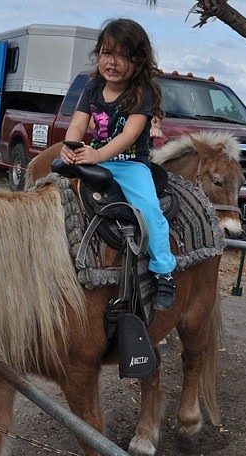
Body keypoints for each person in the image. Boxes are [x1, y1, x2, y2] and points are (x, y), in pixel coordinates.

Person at [60, 18, 176, 310]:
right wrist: (70, 147)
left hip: (129, 165)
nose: (113, 62)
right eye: (107, 53)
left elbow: (130, 134)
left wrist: (98, 155)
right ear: (98, 54)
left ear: (138, 62)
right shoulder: (92, 87)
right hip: (96, 159)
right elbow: (77, 123)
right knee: (52, 183)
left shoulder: (142, 93)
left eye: (123, 56)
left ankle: (163, 270)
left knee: (148, 208)